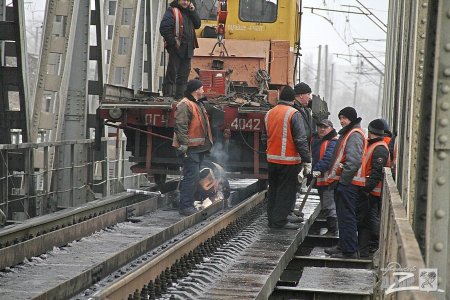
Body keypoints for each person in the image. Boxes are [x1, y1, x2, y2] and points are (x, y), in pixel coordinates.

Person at [265, 86, 312, 230]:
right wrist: (307, 160)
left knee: (273, 189)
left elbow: (265, 136)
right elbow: (300, 139)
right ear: (293, 99)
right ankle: (280, 221)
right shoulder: (294, 113)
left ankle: (272, 218)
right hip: (289, 160)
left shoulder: (269, 113)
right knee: (286, 192)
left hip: (272, 159)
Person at [325, 107, 366, 258]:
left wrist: (343, 181)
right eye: (340, 117)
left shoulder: (354, 134)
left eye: (345, 118)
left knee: (347, 216)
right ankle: (343, 245)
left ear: (352, 119)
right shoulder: (349, 133)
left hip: (349, 183)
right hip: (346, 182)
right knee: (343, 216)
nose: (342, 121)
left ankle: (349, 250)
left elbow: (353, 161)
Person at [172, 79, 213, 216]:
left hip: (197, 147)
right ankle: (185, 206)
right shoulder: (185, 104)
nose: (203, 91)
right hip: (190, 148)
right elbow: (180, 126)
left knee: (192, 176)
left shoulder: (197, 104)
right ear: (196, 90)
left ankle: (184, 202)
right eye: (201, 88)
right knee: (192, 176)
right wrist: (184, 144)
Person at [358, 119, 390, 257]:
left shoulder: (379, 148)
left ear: (371, 131)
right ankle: (365, 248)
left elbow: (376, 172)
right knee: (367, 219)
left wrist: (366, 189)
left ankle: (374, 245)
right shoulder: (376, 145)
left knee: (371, 219)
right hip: (370, 190)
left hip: (372, 192)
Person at [160, 0, 201, 98]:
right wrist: (173, 44)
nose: (185, 2)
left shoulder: (189, 12)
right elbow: (164, 28)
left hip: (188, 49)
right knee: (172, 73)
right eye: (183, 0)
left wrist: (193, 12)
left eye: (187, 0)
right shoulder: (172, 11)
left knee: (183, 75)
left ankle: (180, 97)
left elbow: (197, 24)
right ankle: (168, 96)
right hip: (176, 48)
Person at [310, 119, 338, 235]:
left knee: (328, 205)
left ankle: (332, 230)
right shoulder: (317, 140)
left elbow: (328, 158)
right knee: (326, 203)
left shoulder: (333, 142)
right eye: (320, 127)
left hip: (328, 179)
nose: (322, 129)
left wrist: (317, 169)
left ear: (331, 128)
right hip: (322, 179)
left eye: (325, 127)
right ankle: (331, 228)